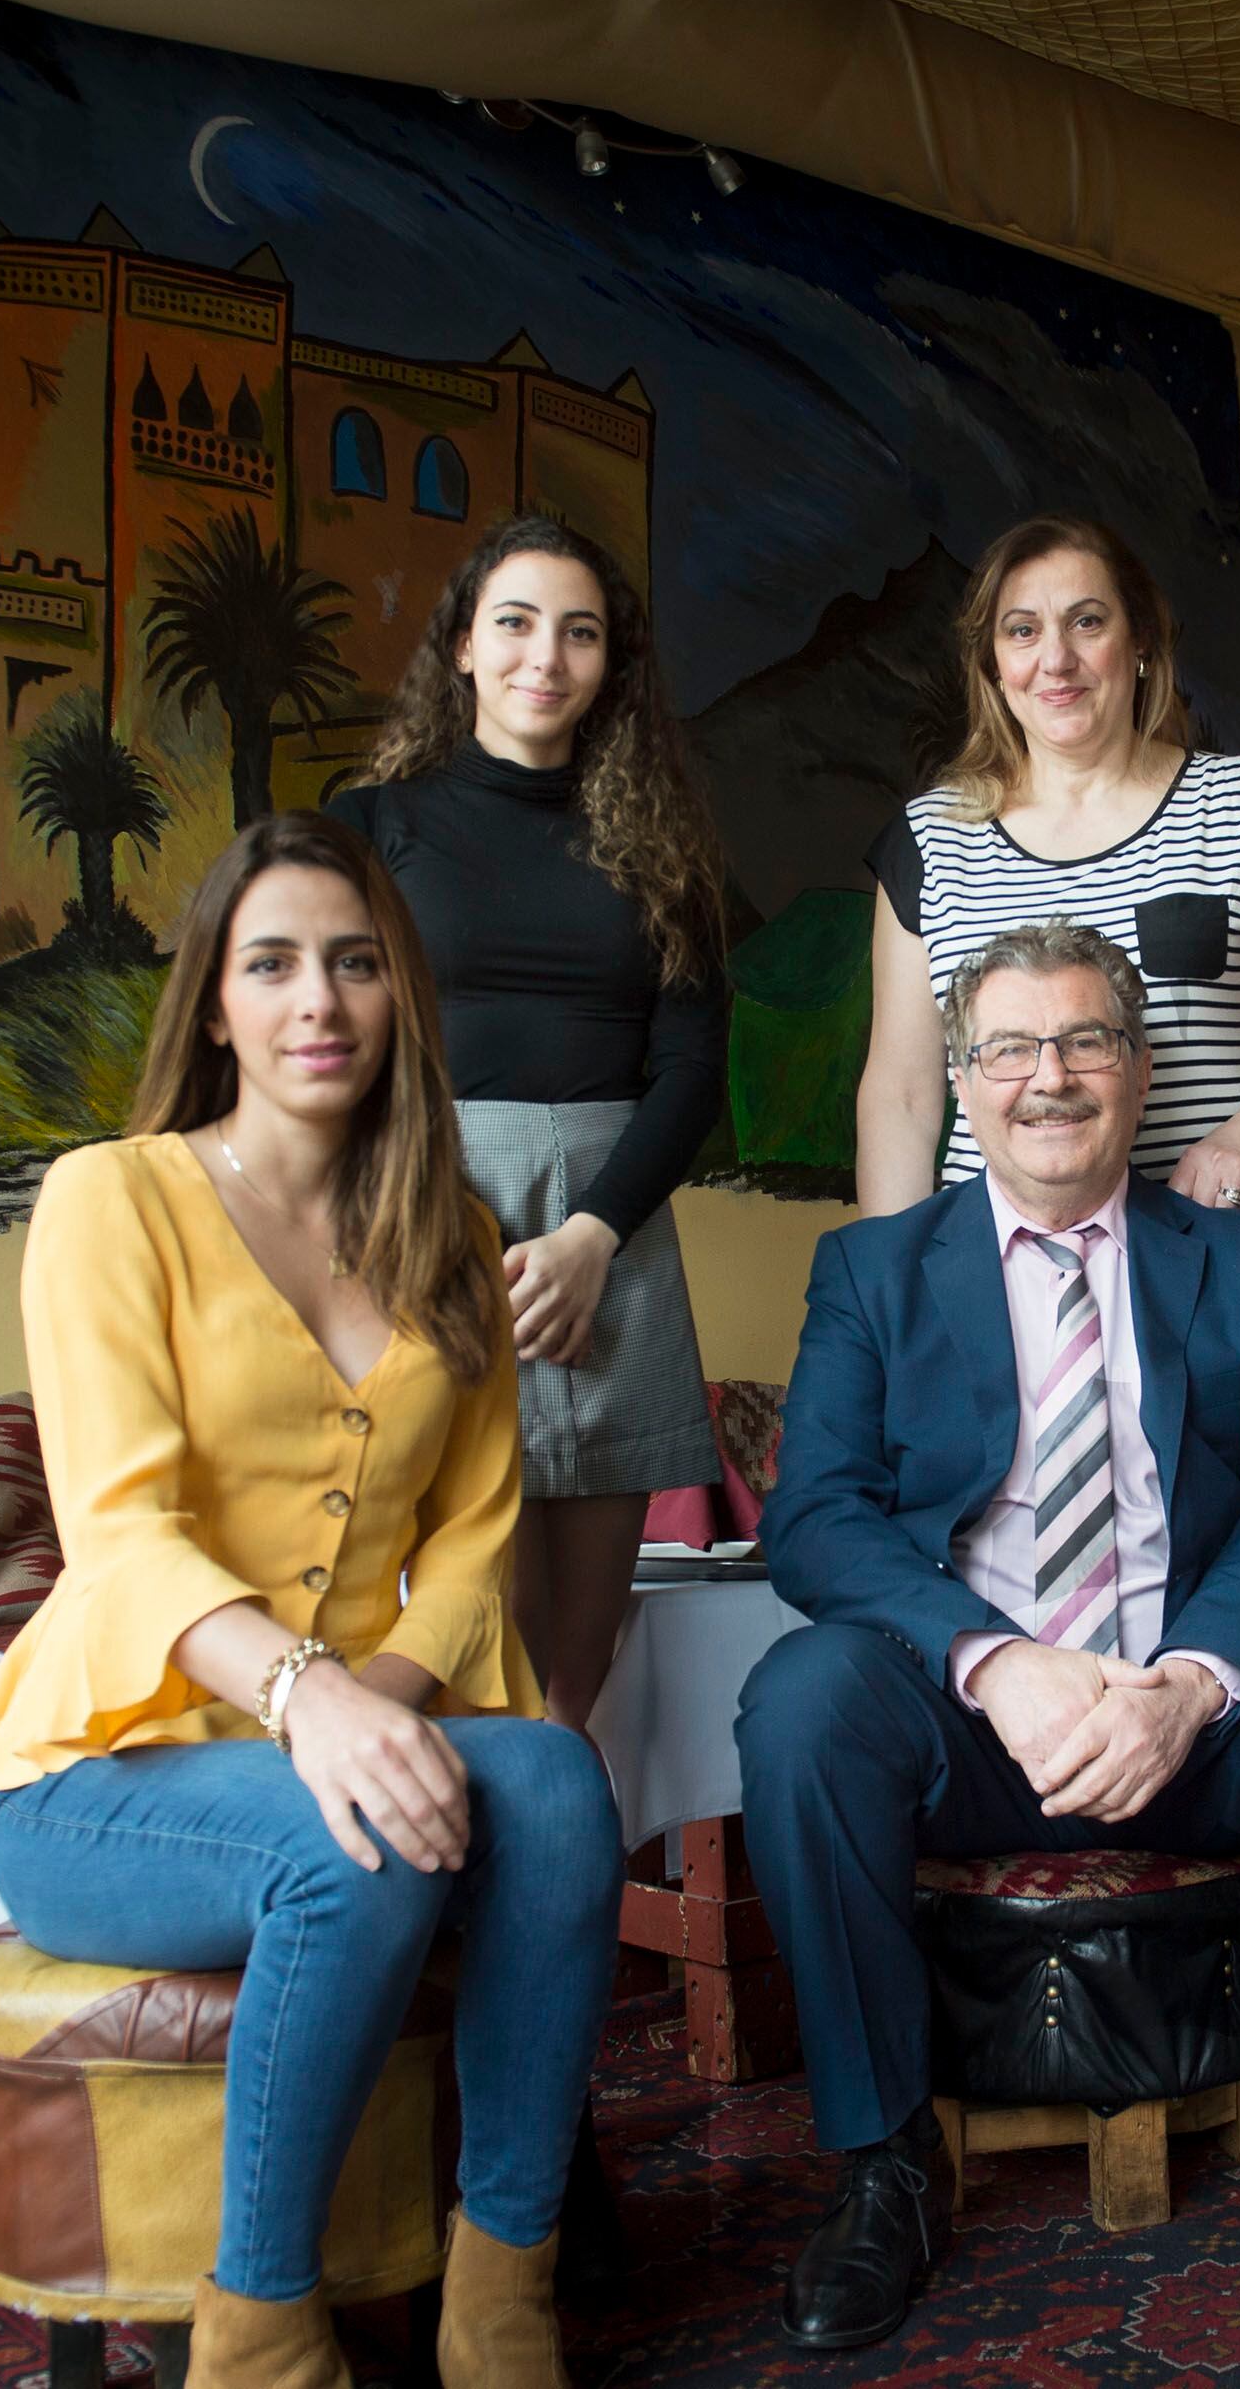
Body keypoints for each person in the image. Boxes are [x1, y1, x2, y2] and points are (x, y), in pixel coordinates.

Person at [741, 919, 1240, 2351]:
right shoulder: (874, 1273)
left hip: (1193, 1722)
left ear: (1139, 1073)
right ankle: (881, 2166)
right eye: (1011, 1047)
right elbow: (817, 1521)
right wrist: (994, 1664)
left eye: (1086, 1040)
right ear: (963, 1080)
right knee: (802, 1703)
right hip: (973, 1726)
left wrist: (1188, 1688)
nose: (1049, 1076)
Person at [0, 813, 619, 2389]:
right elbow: (120, 1535)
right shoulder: (109, 1201)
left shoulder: (454, 1239)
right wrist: (307, 1708)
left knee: (556, 1777)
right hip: (104, 1780)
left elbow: (469, 1554)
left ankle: (501, 2285)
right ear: (215, 1007)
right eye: (272, 964)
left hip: (328, 1736)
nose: (316, 999)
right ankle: (255, 2332)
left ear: (399, 999)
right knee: (360, 1849)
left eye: (353, 962)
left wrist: (368, 1718)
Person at [330, 514, 731, 1729]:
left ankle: (572, 1879)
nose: (543, 655)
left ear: (612, 664)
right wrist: (414, 1214)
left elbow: (697, 1068)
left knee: (578, 1664)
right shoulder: (369, 825)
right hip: (435, 1212)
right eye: (513, 622)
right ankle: (470, 1891)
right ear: (461, 645)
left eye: (580, 631)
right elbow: (335, 1039)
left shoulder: (668, 851)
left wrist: (596, 1232)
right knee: (466, 1627)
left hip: (614, 1225)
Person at [854, 515, 1240, 1256]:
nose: (1057, 659)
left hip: (1219, 1270)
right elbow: (903, 1096)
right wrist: (889, 1292)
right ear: (993, 666)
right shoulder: (929, 842)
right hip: (994, 1287)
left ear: (1139, 643)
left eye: (1087, 621)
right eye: (1023, 631)